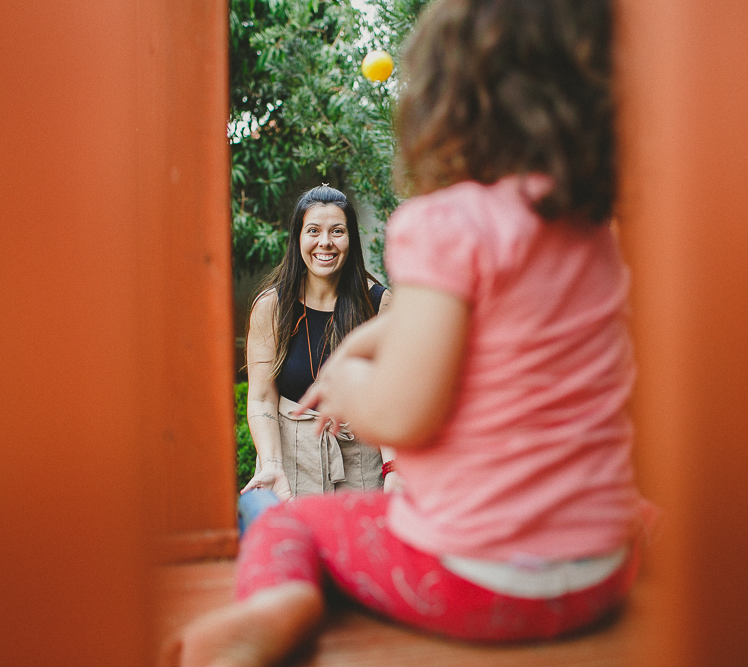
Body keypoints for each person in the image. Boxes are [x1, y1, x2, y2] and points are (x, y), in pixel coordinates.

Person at [160, 1, 654, 664]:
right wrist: (368, 341)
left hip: (479, 581)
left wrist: (348, 381)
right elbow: (483, 336)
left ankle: (276, 605)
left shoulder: (446, 225)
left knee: (293, 524)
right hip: (601, 569)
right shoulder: (592, 236)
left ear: (446, 102)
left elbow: (403, 414)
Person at [240, 184, 394, 500]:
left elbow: (392, 397)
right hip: (289, 464)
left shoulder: (379, 304)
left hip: (361, 461)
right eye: (313, 231)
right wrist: (271, 464)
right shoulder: (272, 307)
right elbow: (261, 398)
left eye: (337, 231)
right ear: (298, 238)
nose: (325, 242)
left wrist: (394, 469)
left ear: (351, 239)